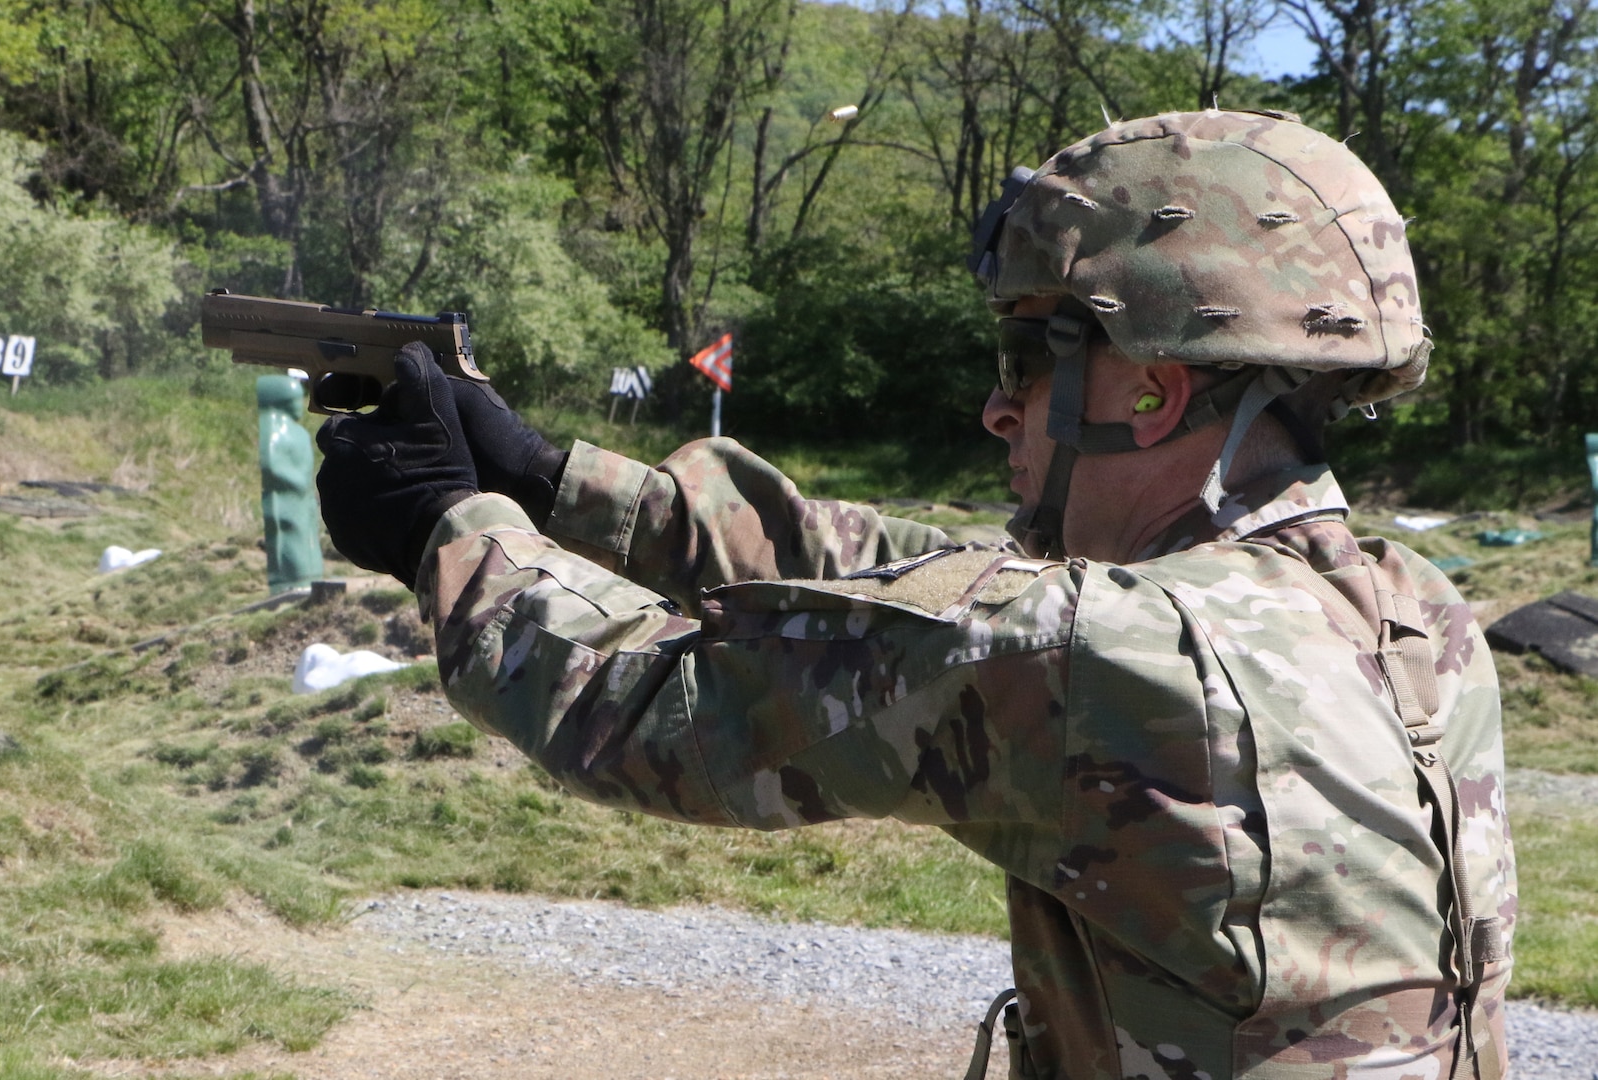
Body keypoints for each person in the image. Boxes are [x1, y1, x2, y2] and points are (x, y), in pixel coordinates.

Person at [315, 109, 1515, 1079]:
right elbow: (903, 581)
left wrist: (446, 525)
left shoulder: (1086, 651)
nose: (999, 408)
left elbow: (631, 708)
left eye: (1028, 360)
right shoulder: (1416, 618)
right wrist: (549, 476)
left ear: (1147, 395)